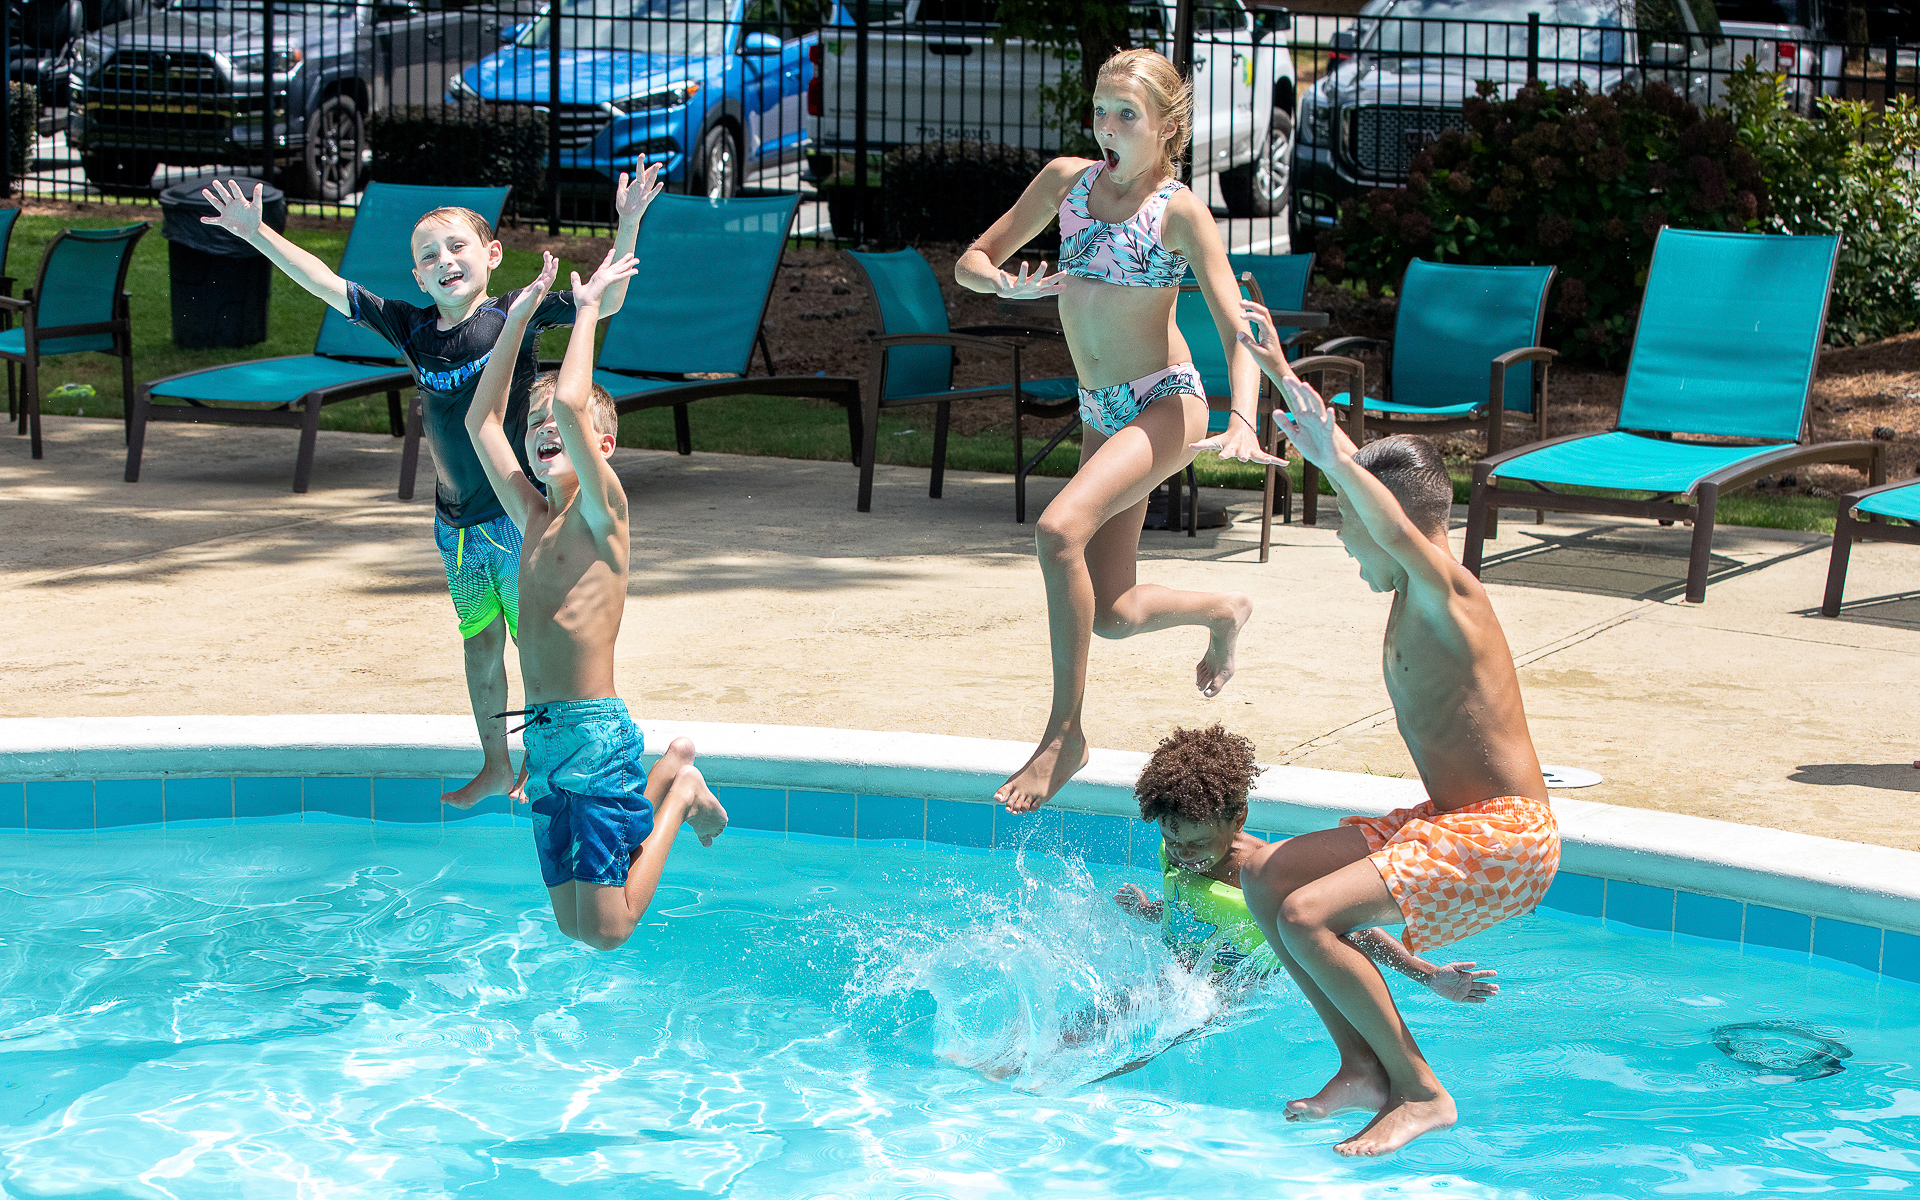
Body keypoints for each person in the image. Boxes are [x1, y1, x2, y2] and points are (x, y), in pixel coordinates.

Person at [197, 162, 662, 810]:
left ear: (492, 255)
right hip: (456, 527)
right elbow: (327, 283)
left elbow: (603, 301)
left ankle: (542, 761)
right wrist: (256, 234)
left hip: (517, 514)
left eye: (456, 246)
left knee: (536, 644)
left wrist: (629, 222)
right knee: (480, 645)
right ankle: (495, 763)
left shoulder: (516, 311)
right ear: (417, 278)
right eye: (428, 256)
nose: (444, 261)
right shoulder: (412, 328)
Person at [1233, 302, 1561, 1157]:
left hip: (1505, 836)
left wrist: (1335, 457)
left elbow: (1386, 523)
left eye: (1350, 527)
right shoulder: (1419, 590)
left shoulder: (1449, 591)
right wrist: (1279, 376)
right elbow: (1379, 510)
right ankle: (1363, 1069)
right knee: (1269, 879)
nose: (1348, 549)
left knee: (1307, 915)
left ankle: (1420, 1091)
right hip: (1449, 820)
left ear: (1394, 523)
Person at [953, 48, 1285, 814]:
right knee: (1110, 612)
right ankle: (1221, 611)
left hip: (1165, 400)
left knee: (1057, 530)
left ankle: (1064, 735)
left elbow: (1238, 327)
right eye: (1100, 111)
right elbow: (972, 260)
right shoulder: (1067, 183)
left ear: (1167, 128)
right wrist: (1000, 283)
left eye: (1126, 115)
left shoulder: (1178, 211)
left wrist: (1243, 415)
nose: (1107, 127)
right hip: (1101, 408)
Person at [464, 247, 727, 951]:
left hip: (594, 731)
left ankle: (681, 791)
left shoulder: (603, 511)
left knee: (608, 931)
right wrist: (514, 322)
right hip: (543, 735)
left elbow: (572, 403)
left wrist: (584, 312)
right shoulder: (532, 516)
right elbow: (480, 424)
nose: (544, 428)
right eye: (534, 426)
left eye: (557, 425)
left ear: (602, 446)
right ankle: (672, 767)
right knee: (574, 928)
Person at [1115, 724, 1500, 1003]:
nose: (1183, 853)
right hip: (1178, 977)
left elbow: (1353, 929)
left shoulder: (1271, 873)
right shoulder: (1183, 855)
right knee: (1103, 1018)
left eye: (1197, 843)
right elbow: (1192, 910)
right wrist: (1148, 910)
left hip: (1237, 995)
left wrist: (1427, 974)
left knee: (1144, 1036)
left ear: (1238, 819)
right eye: (1171, 840)